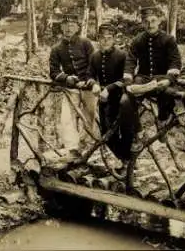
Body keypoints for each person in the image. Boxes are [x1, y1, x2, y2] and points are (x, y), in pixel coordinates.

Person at [120, 6, 182, 142]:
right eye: (146, 21)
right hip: (143, 79)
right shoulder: (138, 40)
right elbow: (130, 61)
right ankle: (138, 131)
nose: (150, 24)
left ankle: (162, 122)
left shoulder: (168, 40)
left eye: (153, 21)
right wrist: (129, 82)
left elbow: (175, 62)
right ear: (142, 23)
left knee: (169, 93)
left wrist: (169, 79)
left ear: (159, 21)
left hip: (162, 78)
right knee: (126, 100)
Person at [49, 14, 98, 151]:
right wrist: (66, 78)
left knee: (90, 114)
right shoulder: (57, 48)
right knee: (67, 117)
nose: (68, 28)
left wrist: (88, 80)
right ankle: (72, 148)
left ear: (77, 27)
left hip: (88, 86)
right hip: (71, 88)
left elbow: (94, 64)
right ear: (61, 28)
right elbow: (53, 72)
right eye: (65, 25)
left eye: (72, 25)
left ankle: (87, 143)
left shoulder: (86, 43)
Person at [87, 23, 131, 168]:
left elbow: (126, 79)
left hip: (122, 99)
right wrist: (93, 84)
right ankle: (125, 159)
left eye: (109, 38)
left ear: (114, 39)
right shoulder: (95, 56)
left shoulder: (122, 55)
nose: (105, 41)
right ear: (98, 39)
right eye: (102, 38)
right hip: (104, 100)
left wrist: (110, 88)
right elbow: (90, 75)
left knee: (125, 131)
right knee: (106, 134)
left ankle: (128, 161)